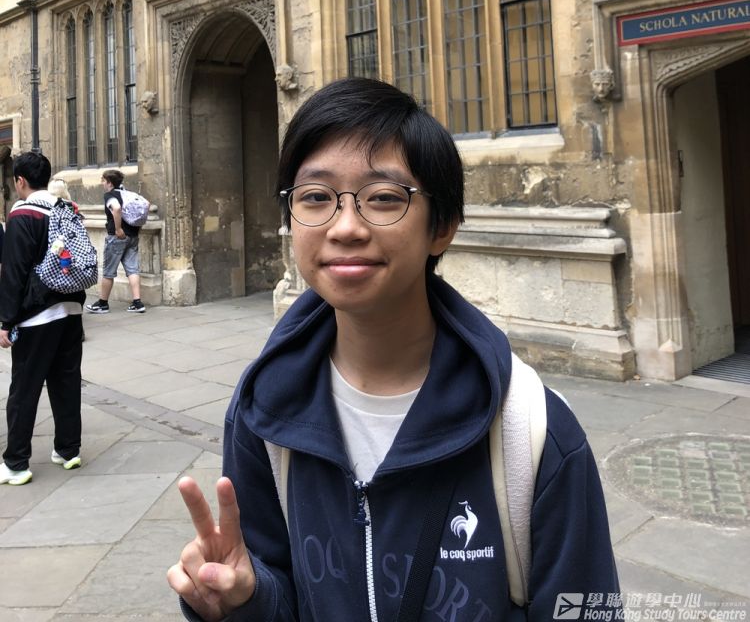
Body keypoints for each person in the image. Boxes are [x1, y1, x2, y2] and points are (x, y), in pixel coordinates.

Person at [168, 78, 621, 622]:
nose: (346, 227)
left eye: (384, 198)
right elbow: (278, 591)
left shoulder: (535, 430)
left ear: (442, 226)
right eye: (316, 197)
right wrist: (244, 601)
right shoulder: (264, 410)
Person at [0, 151, 84, 485]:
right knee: (66, 382)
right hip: (71, 309)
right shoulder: (65, 209)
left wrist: (6, 321)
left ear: (20, 181)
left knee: (24, 388)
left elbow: (14, 272)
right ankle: (68, 450)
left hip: (37, 315)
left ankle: (16, 463)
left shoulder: (23, 214)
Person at [86, 169, 145, 314]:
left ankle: (102, 304)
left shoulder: (110, 195)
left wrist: (118, 229)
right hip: (133, 237)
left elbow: (116, 208)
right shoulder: (128, 194)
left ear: (110, 183)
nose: (102, 183)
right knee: (132, 270)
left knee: (108, 272)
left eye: (103, 181)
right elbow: (145, 206)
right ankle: (137, 303)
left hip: (117, 237)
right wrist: (137, 228)